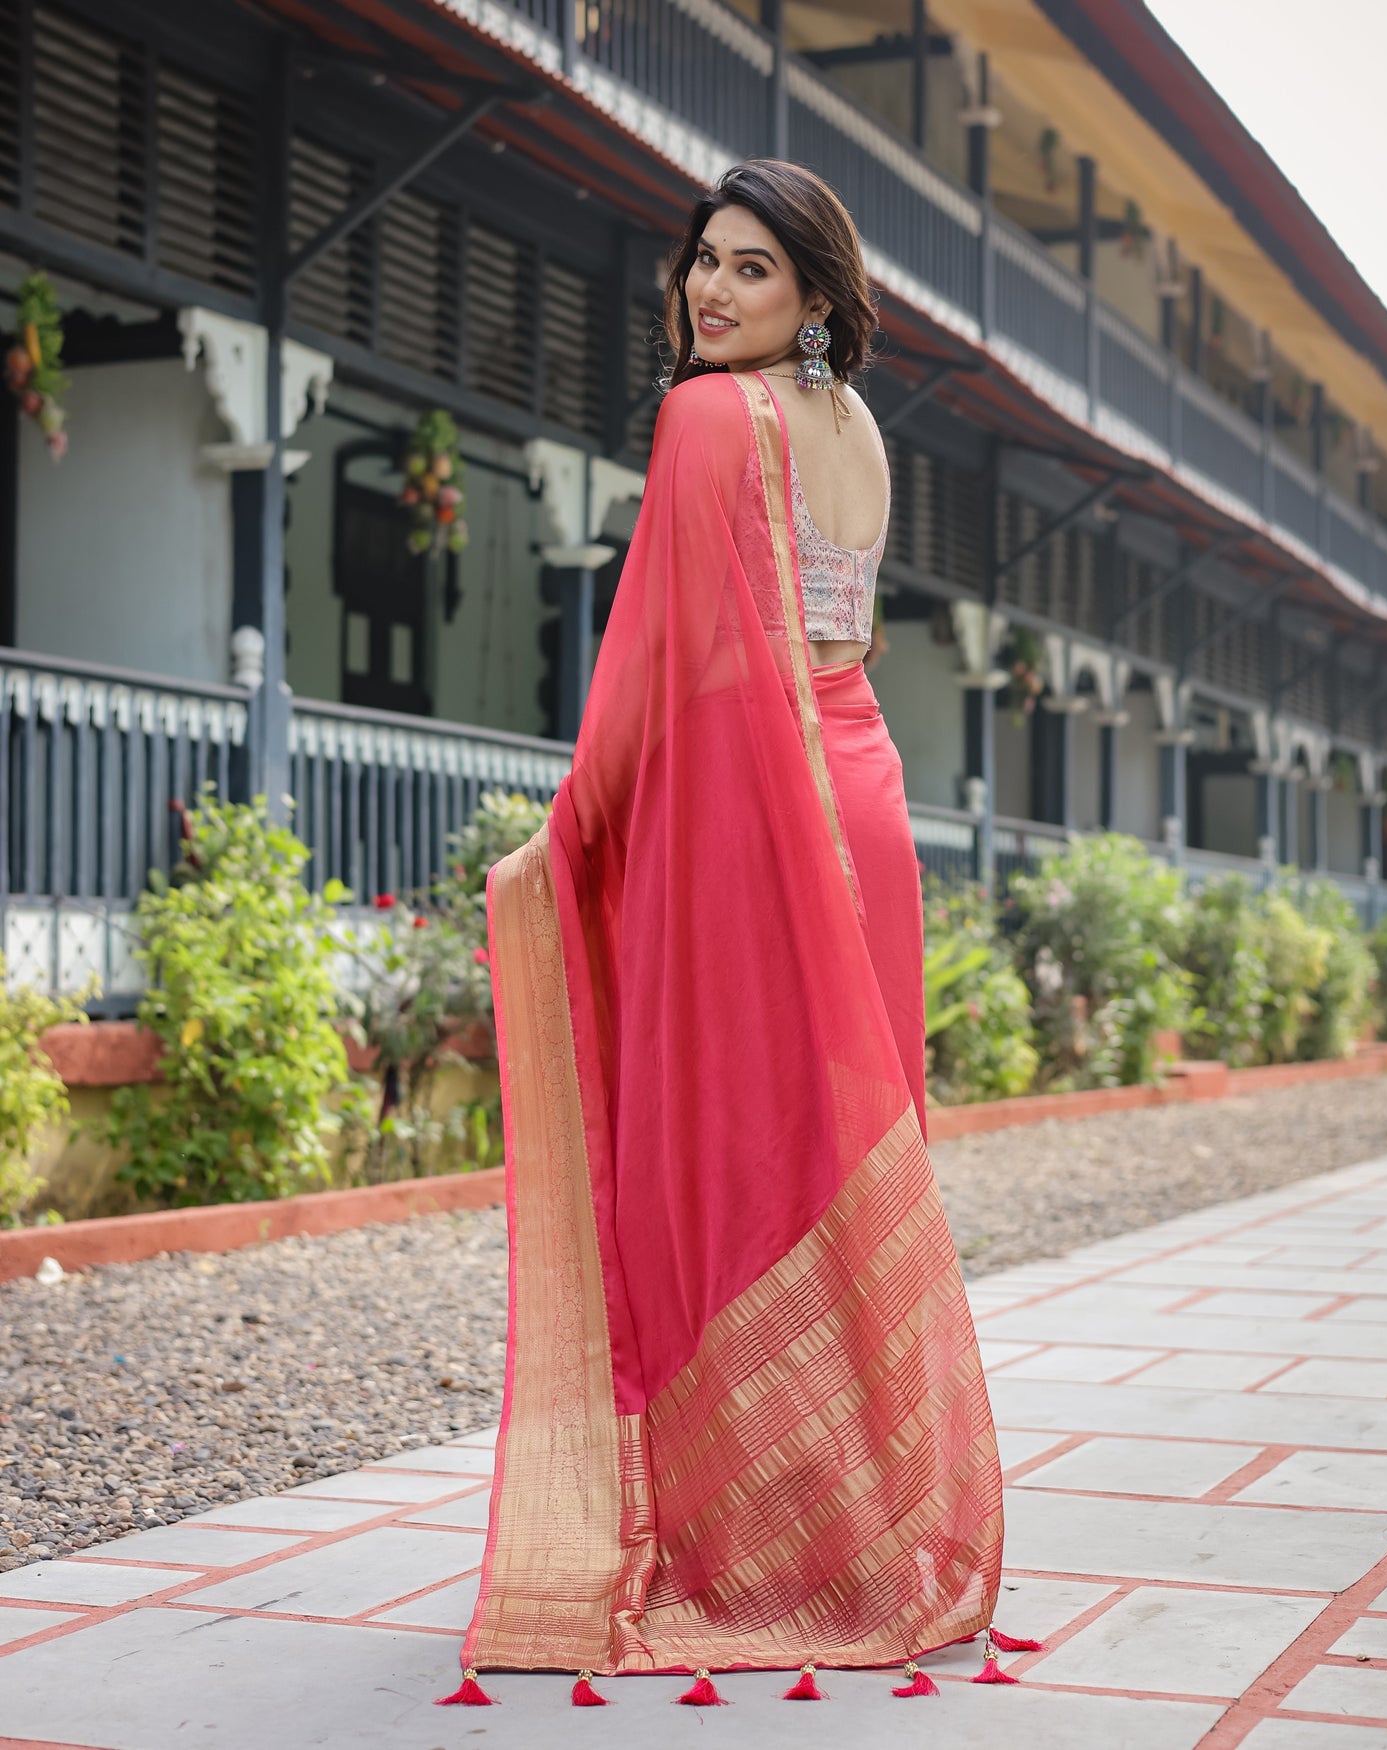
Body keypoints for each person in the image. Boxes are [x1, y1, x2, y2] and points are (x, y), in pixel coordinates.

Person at [440, 159, 1008, 1705]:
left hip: (762, 823)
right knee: (830, 1162)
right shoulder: (860, 429)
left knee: (717, 1165)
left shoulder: (705, 420)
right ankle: (867, 1533)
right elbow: (845, 638)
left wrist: (563, 844)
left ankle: (739, 1545)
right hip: (864, 794)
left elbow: (648, 676)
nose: (711, 289)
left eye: (752, 270)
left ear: (815, 297)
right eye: (704, 260)